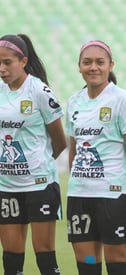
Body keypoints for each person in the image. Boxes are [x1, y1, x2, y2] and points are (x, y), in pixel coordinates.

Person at [0, 34, 66, 275]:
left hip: (39, 185)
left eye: (7, 62)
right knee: (11, 262)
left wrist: (38, 165)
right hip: (8, 186)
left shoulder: (40, 91)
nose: (2, 69)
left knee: (45, 259)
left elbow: (60, 141)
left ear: (23, 61)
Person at [66, 40, 126, 275]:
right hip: (80, 194)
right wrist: (76, 181)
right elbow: (73, 147)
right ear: (79, 66)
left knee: (117, 258)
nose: (93, 67)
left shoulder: (120, 99)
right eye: (87, 62)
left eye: (100, 62)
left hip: (112, 193)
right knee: (88, 260)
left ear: (110, 65)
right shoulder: (74, 101)